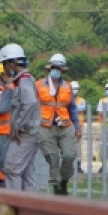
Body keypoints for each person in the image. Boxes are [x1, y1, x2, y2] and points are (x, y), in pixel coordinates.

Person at [36, 53, 80, 195]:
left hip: (65, 125)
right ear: (49, 68)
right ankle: (56, 185)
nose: (55, 70)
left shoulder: (67, 87)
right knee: (52, 156)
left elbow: (72, 108)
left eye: (58, 68)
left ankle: (64, 181)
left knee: (69, 155)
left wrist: (77, 127)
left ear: (62, 70)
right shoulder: (38, 85)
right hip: (45, 125)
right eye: (53, 67)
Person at [0, 43, 41, 191]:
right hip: (30, 133)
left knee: (11, 168)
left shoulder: (24, 79)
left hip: (26, 133)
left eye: (5, 64)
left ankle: (14, 208)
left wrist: (17, 125)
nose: (4, 68)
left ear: (12, 62)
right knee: (26, 173)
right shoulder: (23, 80)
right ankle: (32, 209)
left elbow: (29, 103)